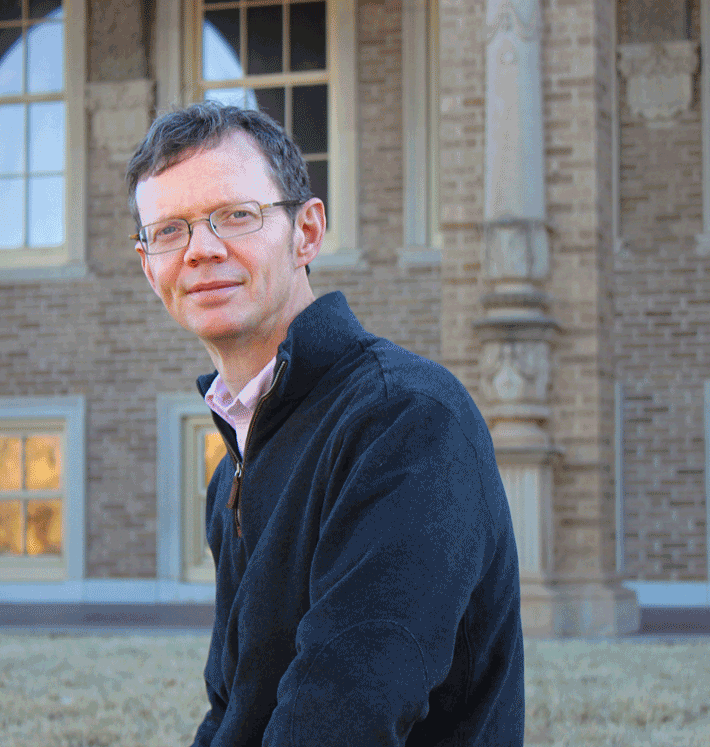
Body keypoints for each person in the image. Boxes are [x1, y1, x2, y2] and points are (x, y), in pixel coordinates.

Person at [127, 102, 524, 747]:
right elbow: (235, 711)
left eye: (235, 216)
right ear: (150, 268)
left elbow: (344, 717)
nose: (200, 250)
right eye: (169, 231)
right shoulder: (235, 464)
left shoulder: (407, 420)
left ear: (307, 232)